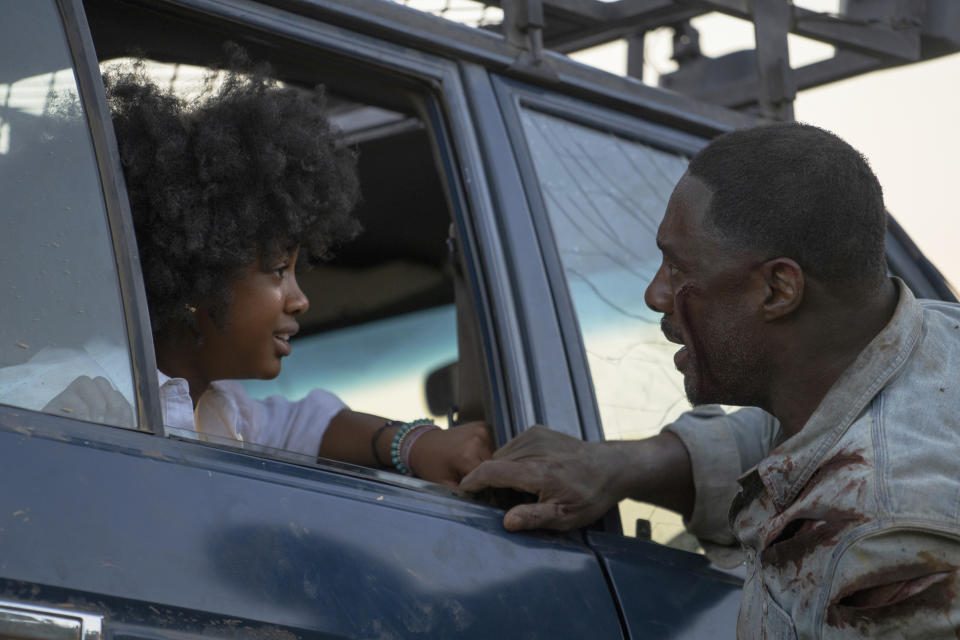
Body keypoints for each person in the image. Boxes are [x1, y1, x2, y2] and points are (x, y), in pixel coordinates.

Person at [461, 123, 960, 637]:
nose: (655, 294)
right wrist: (621, 465)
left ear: (777, 289)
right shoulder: (929, 345)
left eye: (677, 268)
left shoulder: (880, 541)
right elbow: (798, 442)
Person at [41, 54, 491, 486]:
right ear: (198, 273)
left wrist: (415, 444)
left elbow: (304, 424)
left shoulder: (224, 409)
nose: (300, 299)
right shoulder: (60, 390)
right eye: (279, 271)